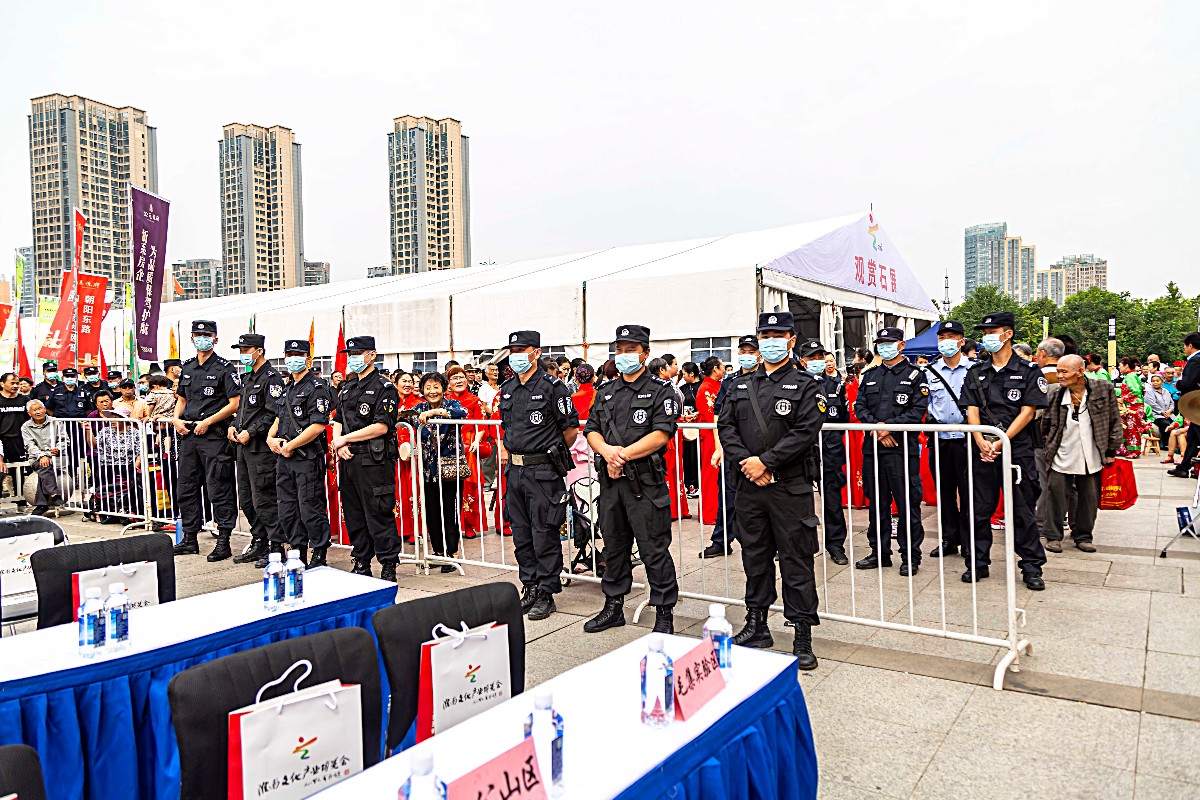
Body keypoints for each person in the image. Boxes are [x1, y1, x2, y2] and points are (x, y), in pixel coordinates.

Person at [718, 311, 824, 669]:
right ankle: (757, 624)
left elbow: (805, 432)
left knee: (796, 559)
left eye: (778, 336)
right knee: (755, 556)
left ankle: (802, 633)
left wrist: (766, 462)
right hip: (750, 486)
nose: (770, 342)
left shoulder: (806, 385)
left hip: (789, 487)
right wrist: (747, 463)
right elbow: (726, 427)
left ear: (791, 340)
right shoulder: (740, 385)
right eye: (765, 336)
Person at [583, 324, 680, 634]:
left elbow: (661, 434)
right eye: (619, 350)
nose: (623, 355)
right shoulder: (606, 391)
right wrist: (607, 452)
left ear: (645, 353)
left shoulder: (661, 390)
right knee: (613, 546)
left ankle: (663, 611)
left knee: (654, 549)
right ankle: (613, 606)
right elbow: (591, 430)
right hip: (612, 484)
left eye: (631, 350)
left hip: (645, 485)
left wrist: (620, 456)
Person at [496, 330, 579, 621]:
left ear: (536, 352)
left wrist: (549, 453)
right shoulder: (508, 388)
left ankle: (546, 592)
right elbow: (507, 427)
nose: (516, 355)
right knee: (521, 533)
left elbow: (570, 429)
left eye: (522, 350)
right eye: (513, 350)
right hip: (515, 470)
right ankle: (529, 586)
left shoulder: (552, 387)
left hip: (543, 471)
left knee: (544, 533)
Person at [963, 311, 1049, 590]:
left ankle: (1031, 566)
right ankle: (977, 562)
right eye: (985, 333)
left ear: (1008, 334)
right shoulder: (976, 372)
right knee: (978, 509)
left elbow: (1028, 412)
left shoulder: (1029, 371)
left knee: (1022, 510)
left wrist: (1001, 441)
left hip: (1016, 450)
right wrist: (980, 440)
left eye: (992, 332)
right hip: (982, 450)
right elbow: (971, 410)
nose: (987, 337)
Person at [853, 327, 929, 575]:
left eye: (889, 342)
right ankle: (879, 552)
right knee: (877, 504)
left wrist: (890, 429)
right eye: (881, 343)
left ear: (901, 345)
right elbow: (860, 407)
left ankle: (910, 556)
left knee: (908, 504)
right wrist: (878, 429)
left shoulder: (915, 375)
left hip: (902, 450)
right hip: (873, 449)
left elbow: (917, 410)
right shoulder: (870, 375)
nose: (884, 347)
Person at [170, 320, 242, 561]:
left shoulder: (225, 368)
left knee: (219, 488)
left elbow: (234, 403)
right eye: (198, 335)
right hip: (189, 435)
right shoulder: (188, 367)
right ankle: (190, 538)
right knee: (186, 487)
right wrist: (176, 419)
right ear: (192, 339)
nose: (202, 339)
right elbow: (182, 399)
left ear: (215, 339)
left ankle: (223, 541)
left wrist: (208, 421)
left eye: (207, 335)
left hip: (214, 436)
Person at [331, 335, 401, 580]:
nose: (353, 359)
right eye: (350, 355)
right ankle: (361, 561)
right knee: (354, 515)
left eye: (357, 354)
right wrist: (339, 444)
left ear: (372, 355)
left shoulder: (384, 388)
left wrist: (345, 439)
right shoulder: (348, 388)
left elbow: (381, 426)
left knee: (378, 513)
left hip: (374, 461)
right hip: (349, 459)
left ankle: (388, 564)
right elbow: (338, 420)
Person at [1042, 355, 1123, 553]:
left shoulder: (1103, 389)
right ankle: (1053, 536)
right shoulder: (1056, 393)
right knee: (1055, 494)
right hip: (1061, 451)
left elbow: (1114, 420)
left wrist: (1111, 450)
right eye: (1058, 371)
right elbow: (1046, 422)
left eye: (1064, 372)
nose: (1059, 376)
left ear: (1079, 371)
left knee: (1089, 498)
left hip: (1092, 452)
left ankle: (1084, 536)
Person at [269, 339, 333, 566]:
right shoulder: (288, 388)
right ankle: (297, 551)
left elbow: (318, 425)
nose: (292, 359)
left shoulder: (317, 387)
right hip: (284, 458)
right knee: (287, 508)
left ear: (308, 359)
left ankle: (319, 552)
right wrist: (270, 438)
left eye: (298, 355)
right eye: (289, 355)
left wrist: (291, 445)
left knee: (310, 507)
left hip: (306, 457)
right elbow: (279, 419)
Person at [227, 333, 288, 566]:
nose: (243, 354)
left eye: (246, 350)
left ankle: (276, 547)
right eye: (241, 350)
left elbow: (273, 413)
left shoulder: (272, 378)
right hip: (243, 448)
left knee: (264, 498)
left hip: (261, 448)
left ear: (259, 351)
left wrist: (251, 432)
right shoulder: (247, 378)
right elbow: (243, 411)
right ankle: (259, 541)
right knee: (247, 499)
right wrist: (233, 426)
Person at [922, 321, 975, 561]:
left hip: (967, 439)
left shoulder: (974, 369)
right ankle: (949, 539)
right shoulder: (929, 371)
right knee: (944, 492)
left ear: (961, 341)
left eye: (951, 337)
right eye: (942, 337)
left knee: (969, 492)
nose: (946, 342)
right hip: (940, 439)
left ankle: (969, 540)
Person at [797, 339, 850, 564]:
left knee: (832, 501)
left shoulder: (835, 385)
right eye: (812, 358)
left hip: (829, 450)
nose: (818, 361)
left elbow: (843, 419)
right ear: (803, 361)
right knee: (796, 501)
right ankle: (795, 544)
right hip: (800, 452)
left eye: (820, 357)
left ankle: (836, 545)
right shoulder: (794, 385)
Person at [413, 372, 469, 568]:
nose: (432, 391)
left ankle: (451, 553)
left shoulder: (452, 404)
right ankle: (437, 552)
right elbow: (406, 417)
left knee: (450, 511)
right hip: (428, 470)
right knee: (432, 511)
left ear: (444, 389)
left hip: (450, 469)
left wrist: (434, 413)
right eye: (428, 387)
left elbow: (463, 413)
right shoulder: (419, 408)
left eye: (436, 387)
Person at [445, 364, 490, 540]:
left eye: (461, 377)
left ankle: (469, 524)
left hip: (468, 446)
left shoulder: (474, 400)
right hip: (448, 447)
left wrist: (476, 441)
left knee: (469, 486)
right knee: (448, 487)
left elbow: (482, 424)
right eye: (454, 378)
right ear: (449, 382)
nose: (458, 381)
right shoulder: (445, 401)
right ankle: (451, 524)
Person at [89, 406, 144, 524]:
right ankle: (103, 508)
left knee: (135, 480)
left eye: (115, 418)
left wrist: (137, 463)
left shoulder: (134, 432)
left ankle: (132, 509)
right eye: (111, 418)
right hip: (108, 464)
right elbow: (94, 445)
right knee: (101, 479)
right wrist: (88, 430)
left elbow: (140, 450)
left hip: (128, 464)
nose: (112, 420)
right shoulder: (105, 431)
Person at [695, 356, 725, 527]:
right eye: (722, 366)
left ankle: (718, 510)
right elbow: (710, 416)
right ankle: (709, 513)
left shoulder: (716, 386)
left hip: (718, 434)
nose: (724, 369)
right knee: (710, 474)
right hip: (710, 436)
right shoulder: (706, 388)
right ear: (715, 369)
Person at [21, 399, 65, 514]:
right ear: (29, 413)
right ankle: (54, 494)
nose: (38, 412)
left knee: (45, 469)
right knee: (44, 465)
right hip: (36, 458)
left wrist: (57, 449)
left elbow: (65, 440)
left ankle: (42, 504)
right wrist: (42, 455)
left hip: (56, 457)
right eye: (34, 410)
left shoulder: (56, 422)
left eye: (40, 408)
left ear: (45, 409)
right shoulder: (26, 427)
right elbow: (29, 445)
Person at [1167, 332, 1200, 479]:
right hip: (1196, 403)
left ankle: (1184, 467)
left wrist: (1179, 384)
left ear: (1190, 345)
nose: (1184, 349)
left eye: (1185, 346)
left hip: (1196, 402)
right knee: (1193, 436)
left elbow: (1187, 383)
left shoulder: (1195, 360)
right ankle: (1183, 467)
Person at [0, 373, 29, 511]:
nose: (16, 386)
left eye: (17, 383)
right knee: (1, 472)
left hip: (19, 440)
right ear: (2, 384)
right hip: (2, 440)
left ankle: (21, 503)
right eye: (12, 383)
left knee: (18, 473)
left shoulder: (24, 400)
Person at [1145, 374, 1176, 447]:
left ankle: (1176, 444)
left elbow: (1172, 403)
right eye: (1153, 381)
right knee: (1165, 424)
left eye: (1157, 381)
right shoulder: (1149, 391)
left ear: (1162, 382)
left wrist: (1170, 410)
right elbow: (1152, 404)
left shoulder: (1166, 391)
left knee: (1177, 423)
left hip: (1169, 414)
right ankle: (1165, 444)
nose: (1155, 382)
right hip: (1156, 415)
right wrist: (1163, 412)